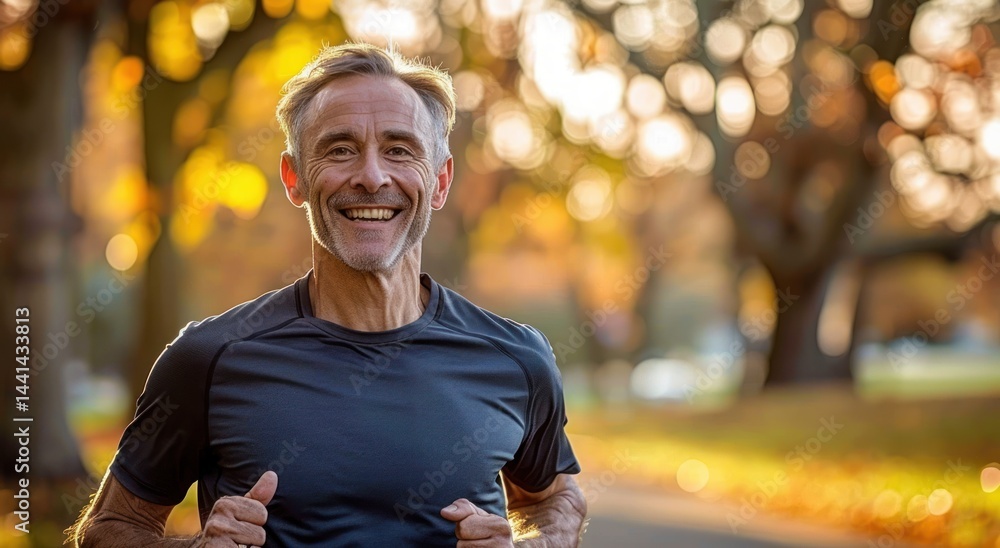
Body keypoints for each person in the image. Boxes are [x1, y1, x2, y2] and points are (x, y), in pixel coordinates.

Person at [72, 43, 586, 547]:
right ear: (294, 178)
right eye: (340, 149)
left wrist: (534, 545)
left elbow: (555, 500)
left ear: (440, 180)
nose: (371, 176)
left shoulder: (516, 359)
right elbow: (105, 530)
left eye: (399, 150)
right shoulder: (209, 358)